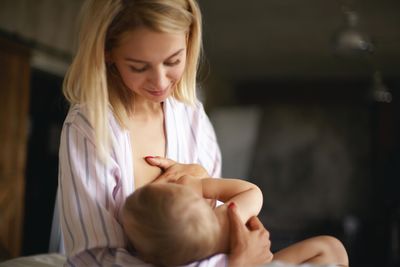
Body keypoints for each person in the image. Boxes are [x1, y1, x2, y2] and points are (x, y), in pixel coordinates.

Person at [58, 0, 272, 266]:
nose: (159, 82)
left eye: (173, 61)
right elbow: (92, 258)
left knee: (333, 251)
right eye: (139, 67)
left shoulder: (193, 119)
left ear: (189, 41)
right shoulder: (90, 127)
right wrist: (237, 263)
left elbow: (211, 231)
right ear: (107, 52)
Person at [122, 172, 349, 267]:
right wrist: (202, 184)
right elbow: (253, 193)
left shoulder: (168, 258)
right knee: (331, 247)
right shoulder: (224, 221)